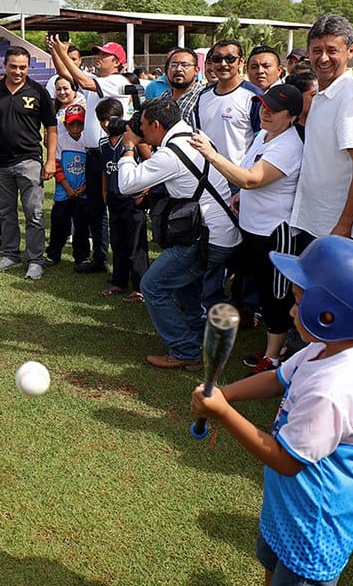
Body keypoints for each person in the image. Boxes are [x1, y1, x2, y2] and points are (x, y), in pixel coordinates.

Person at [195, 236, 353, 586]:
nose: (290, 307)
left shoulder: (334, 388)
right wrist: (225, 393)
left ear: (328, 315)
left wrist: (224, 414)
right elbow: (277, 379)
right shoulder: (331, 347)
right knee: (276, 569)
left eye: (298, 298)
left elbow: (286, 459)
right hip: (293, 507)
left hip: (317, 521)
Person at [117, 96, 240, 369]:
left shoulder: (170, 154)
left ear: (157, 125)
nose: (141, 131)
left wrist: (127, 149)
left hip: (205, 238)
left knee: (152, 286)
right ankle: (198, 339)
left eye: (144, 126)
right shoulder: (194, 135)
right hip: (221, 231)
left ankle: (185, 350)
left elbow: (126, 184)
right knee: (183, 285)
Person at [190, 85, 305, 374]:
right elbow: (250, 173)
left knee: (276, 294)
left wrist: (212, 155)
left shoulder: (289, 145)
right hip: (254, 229)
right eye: (263, 106)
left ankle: (274, 357)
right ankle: (276, 348)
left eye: (273, 110)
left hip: (275, 232)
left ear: (291, 116)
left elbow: (252, 179)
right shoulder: (263, 135)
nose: (265, 112)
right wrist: (242, 196)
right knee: (264, 290)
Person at [289, 15, 353, 246]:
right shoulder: (324, 94)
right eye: (317, 50)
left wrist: (345, 224)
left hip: (337, 230)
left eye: (332, 50)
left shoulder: (349, 99)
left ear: (351, 51)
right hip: (318, 222)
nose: (324, 58)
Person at [47, 37, 133, 274]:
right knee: (94, 210)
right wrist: (57, 51)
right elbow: (65, 72)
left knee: (114, 209)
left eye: (104, 55)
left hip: (111, 152)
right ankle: (100, 259)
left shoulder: (117, 81)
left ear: (117, 62)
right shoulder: (98, 80)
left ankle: (122, 264)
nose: (98, 57)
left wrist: (63, 51)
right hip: (92, 154)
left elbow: (81, 80)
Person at [0, 47, 58, 280]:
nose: (18, 71)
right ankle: (11, 255)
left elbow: (51, 128)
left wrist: (51, 160)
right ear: (5, 65)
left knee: (34, 213)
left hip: (30, 160)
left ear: (29, 66)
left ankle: (35, 259)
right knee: (6, 212)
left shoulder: (38, 91)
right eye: (13, 66)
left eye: (22, 67)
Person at [97, 99, 147, 302]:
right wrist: (104, 191)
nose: (106, 124)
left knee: (136, 243)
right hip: (114, 199)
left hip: (132, 200)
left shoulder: (135, 142)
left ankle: (140, 286)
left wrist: (145, 192)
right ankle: (118, 282)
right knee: (117, 242)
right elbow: (104, 170)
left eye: (110, 119)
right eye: (102, 120)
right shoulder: (102, 143)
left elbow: (152, 164)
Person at [194, 40, 263, 174]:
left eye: (230, 59)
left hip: (238, 178)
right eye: (217, 59)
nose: (223, 64)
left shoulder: (254, 97)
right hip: (207, 177)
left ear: (241, 62)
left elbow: (262, 143)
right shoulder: (203, 96)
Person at [46, 104, 90, 269]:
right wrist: (67, 187)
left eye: (79, 124)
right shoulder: (61, 141)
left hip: (82, 192)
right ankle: (53, 254)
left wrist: (85, 187)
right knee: (59, 225)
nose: (76, 127)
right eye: (72, 124)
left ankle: (81, 256)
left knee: (82, 227)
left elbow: (92, 168)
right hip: (63, 192)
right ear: (65, 124)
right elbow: (56, 165)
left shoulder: (88, 141)